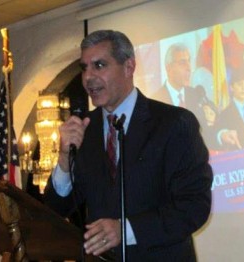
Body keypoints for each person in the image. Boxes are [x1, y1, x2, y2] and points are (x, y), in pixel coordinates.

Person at [44, 30, 213, 261]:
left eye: (99, 65)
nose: (88, 77)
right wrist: (65, 159)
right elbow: (55, 210)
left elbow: (194, 206)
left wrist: (126, 230)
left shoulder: (173, 124)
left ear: (129, 67)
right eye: (84, 68)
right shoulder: (85, 129)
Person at [154, 43, 203, 116]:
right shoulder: (156, 101)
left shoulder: (195, 95)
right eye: (182, 62)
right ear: (169, 69)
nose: (189, 68)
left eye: (189, 61)